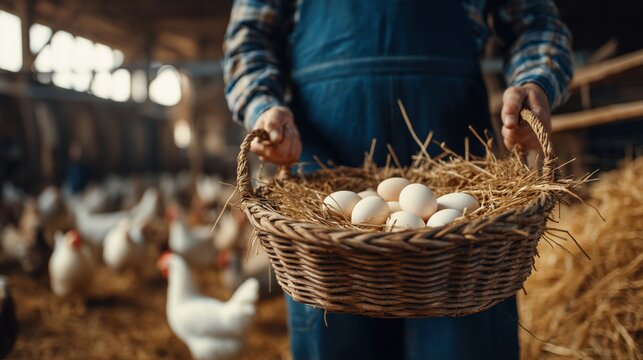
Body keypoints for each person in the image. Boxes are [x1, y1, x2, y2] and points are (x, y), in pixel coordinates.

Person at [224, 1, 572, 359]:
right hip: (325, 176)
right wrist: (262, 106)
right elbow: (249, 38)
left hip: (458, 170)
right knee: (337, 341)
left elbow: (535, 21)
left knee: (465, 341)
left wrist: (536, 81)